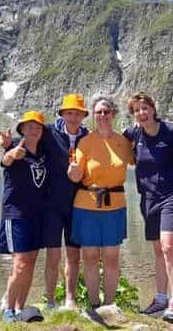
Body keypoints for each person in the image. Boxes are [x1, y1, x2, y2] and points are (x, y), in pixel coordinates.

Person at [0, 94, 89, 310]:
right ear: (63, 114)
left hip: (77, 204)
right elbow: (25, 141)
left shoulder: (88, 137)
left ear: (83, 116)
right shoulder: (50, 132)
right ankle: (49, 301)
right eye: (69, 113)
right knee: (52, 255)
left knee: (74, 255)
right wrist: (7, 146)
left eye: (77, 113)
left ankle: (70, 299)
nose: (73, 117)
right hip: (51, 206)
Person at [67, 95, 134, 314]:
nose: (103, 116)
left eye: (106, 111)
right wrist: (73, 173)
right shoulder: (85, 142)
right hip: (86, 206)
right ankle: (95, 303)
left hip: (115, 206)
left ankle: (110, 303)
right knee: (90, 256)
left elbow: (142, 159)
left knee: (112, 256)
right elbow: (76, 175)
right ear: (93, 116)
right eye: (98, 112)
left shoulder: (123, 142)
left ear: (113, 114)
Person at [123, 92, 173, 321]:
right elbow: (115, 138)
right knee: (158, 250)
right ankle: (160, 299)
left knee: (169, 247)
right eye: (137, 110)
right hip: (147, 199)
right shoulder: (134, 133)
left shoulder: (172, 131)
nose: (142, 113)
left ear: (153, 108)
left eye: (145, 108)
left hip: (171, 196)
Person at [0, 111, 49, 323]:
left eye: (37, 127)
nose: (33, 130)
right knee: (19, 264)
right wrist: (10, 152)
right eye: (29, 127)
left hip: (37, 215)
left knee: (31, 261)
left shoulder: (44, 152)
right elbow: (6, 160)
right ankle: (7, 309)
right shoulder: (15, 149)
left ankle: (20, 308)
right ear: (22, 130)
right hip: (15, 213)